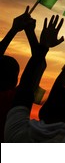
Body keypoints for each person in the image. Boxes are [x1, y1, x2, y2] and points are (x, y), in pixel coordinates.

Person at [0, 7, 36, 142]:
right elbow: (36, 66)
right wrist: (31, 34)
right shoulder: (13, 101)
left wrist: (14, 29)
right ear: (15, 80)